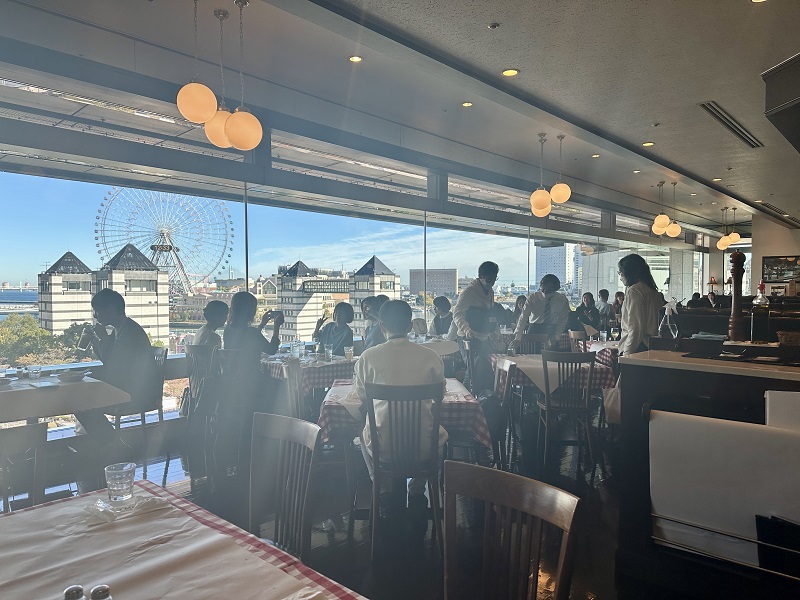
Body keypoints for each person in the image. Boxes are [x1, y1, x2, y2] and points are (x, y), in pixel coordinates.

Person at [353, 300, 445, 537]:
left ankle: (384, 490)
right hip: (423, 448)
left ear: (382, 326)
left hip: (384, 449)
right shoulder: (431, 356)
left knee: (362, 434)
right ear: (410, 326)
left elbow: (361, 397)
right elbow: (441, 394)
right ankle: (417, 491)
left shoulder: (368, 357)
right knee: (438, 436)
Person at [74, 289, 155, 446]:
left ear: (110, 309)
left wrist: (103, 338)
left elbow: (114, 366)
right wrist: (98, 341)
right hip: (129, 387)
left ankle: (112, 445)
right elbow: (110, 361)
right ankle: (109, 444)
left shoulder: (129, 333)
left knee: (81, 404)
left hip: (136, 393)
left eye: (97, 311)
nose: (95, 316)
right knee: (82, 402)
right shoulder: (121, 330)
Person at [452, 261, 498, 390]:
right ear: (481, 276)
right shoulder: (469, 292)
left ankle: (479, 395)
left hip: (483, 336)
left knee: (481, 369)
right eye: (489, 279)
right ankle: (466, 395)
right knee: (473, 368)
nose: (492, 282)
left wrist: (494, 331)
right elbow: (457, 314)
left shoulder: (490, 291)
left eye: (494, 279)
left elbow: (490, 314)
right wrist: (466, 330)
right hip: (467, 337)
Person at [617, 254, 663, 356]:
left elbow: (635, 327)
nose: (620, 277)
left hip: (637, 347)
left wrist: (626, 355)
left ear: (629, 272)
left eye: (621, 273)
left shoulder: (634, 291)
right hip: (651, 346)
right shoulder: (653, 291)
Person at [223, 291, 284, 362]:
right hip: (252, 369)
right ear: (251, 311)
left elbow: (249, 338)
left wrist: (261, 325)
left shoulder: (228, 330)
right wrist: (276, 327)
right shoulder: (253, 333)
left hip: (234, 369)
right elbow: (272, 350)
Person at [514, 274, 571, 344]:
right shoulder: (533, 298)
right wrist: (518, 337)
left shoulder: (562, 300)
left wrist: (557, 336)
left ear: (555, 289)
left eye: (548, 290)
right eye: (543, 289)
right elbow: (523, 317)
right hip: (535, 329)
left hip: (552, 329)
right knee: (532, 350)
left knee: (552, 351)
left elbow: (563, 320)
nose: (545, 291)